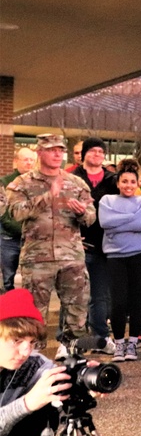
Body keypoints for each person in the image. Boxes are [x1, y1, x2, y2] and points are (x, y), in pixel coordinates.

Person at [4, 134, 95, 356]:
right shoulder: (22, 183)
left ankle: (75, 361)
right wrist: (47, 197)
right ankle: (32, 363)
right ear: (40, 152)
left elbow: (92, 216)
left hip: (71, 258)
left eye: (60, 150)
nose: (57, 154)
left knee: (77, 312)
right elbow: (14, 213)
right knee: (34, 316)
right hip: (37, 260)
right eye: (51, 149)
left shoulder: (75, 183)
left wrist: (83, 213)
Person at [0, 289, 73, 436]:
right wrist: (27, 403)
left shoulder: (32, 362)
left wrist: (81, 379)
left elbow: (53, 375)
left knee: (40, 416)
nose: (25, 351)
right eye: (17, 340)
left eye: (32, 342)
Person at [99, 159, 141, 362]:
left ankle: (133, 343)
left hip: (140, 255)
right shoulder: (107, 201)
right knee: (118, 301)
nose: (128, 185)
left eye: (132, 181)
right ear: (118, 183)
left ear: (137, 183)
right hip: (115, 256)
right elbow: (105, 222)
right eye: (124, 181)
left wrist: (119, 221)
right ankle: (119, 343)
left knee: (137, 299)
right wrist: (130, 218)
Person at [71, 137, 118, 355]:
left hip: (104, 245)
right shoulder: (72, 178)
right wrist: (70, 236)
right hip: (77, 245)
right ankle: (70, 341)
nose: (97, 155)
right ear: (84, 154)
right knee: (73, 295)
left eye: (101, 151)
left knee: (99, 295)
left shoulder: (113, 180)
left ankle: (101, 338)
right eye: (93, 151)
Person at [1, 147, 37, 292]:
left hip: (32, 240)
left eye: (32, 160)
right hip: (9, 238)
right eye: (25, 159)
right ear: (16, 161)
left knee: (31, 281)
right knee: (8, 281)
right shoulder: (5, 182)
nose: (29, 163)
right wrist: (22, 229)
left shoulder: (39, 183)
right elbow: (2, 213)